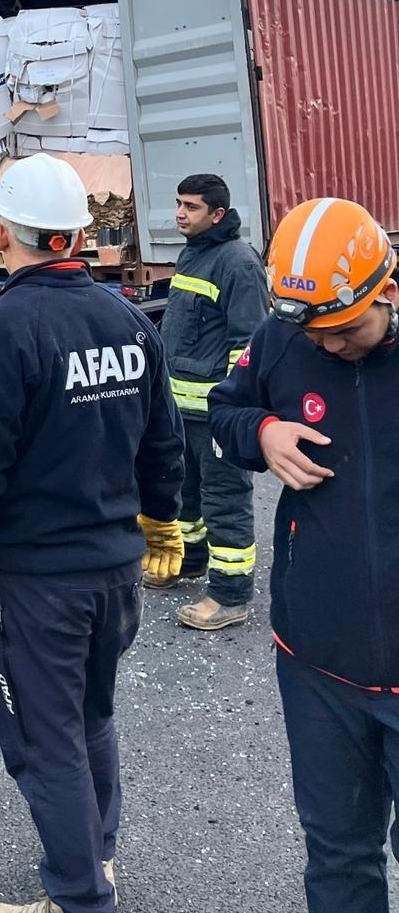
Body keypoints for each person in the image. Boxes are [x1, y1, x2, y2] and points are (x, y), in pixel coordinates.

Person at [0, 154, 185, 913]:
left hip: (39, 585)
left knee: (45, 740)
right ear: (74, 234)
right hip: (115, 573)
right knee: (91, 716)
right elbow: (163, 440)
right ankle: (96, 855)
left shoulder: (8, 326)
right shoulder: (126, 319)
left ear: (4, 231)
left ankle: (77, 902)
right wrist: (161, 518)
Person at [210, 196, 399, 913]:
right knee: (338, 854)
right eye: (315, 335)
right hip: (317, 663)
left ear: (386, 291)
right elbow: (224, 411)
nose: (330, 348)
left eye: (346, 331)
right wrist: (261, 431)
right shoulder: (283, 340)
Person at [154, 173, 268, 630]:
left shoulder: (238, 263)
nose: (180, 214)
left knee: (224, 500)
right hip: (181, 410)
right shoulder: (193, 254)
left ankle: (230, 595)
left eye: (191, 206)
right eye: (179, 203)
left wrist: (234, 411)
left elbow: (249, 345)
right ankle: (190, 560)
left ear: (217, 214)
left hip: (216, 414)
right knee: (184, 492)